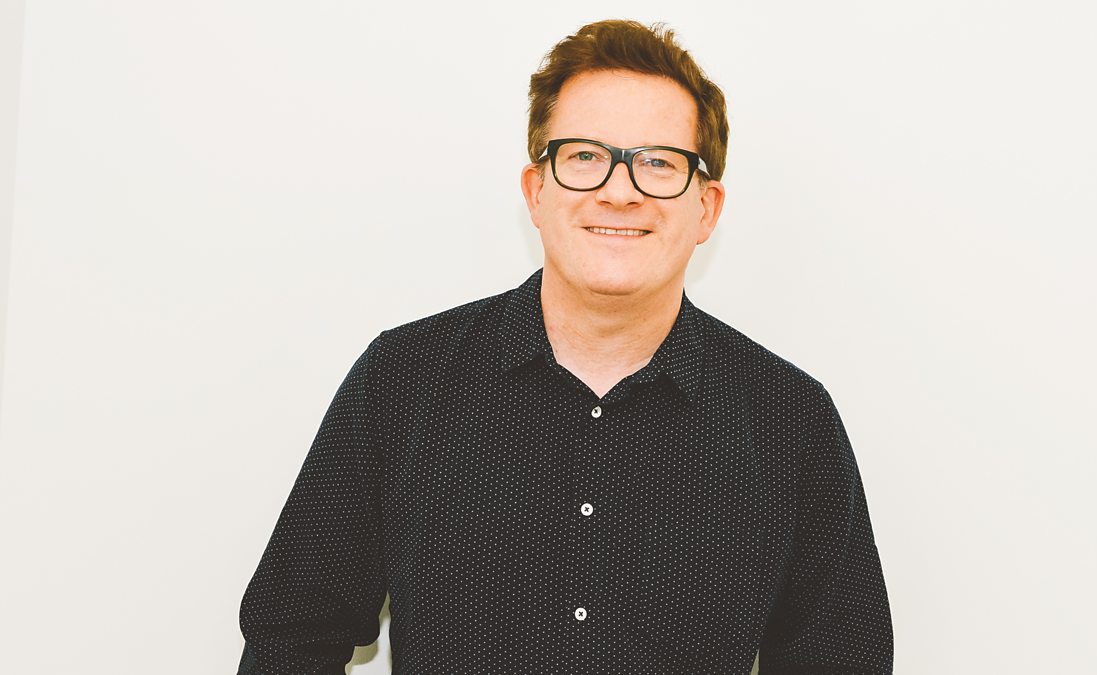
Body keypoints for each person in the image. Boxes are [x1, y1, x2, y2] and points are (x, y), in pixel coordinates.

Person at [237, 18, 893, 674]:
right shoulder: (402, 380)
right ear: (536, 191)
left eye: (658, 162)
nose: (619, 190)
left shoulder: (789, 420)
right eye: (584, 156)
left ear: (707, 208)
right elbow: (291, 637)